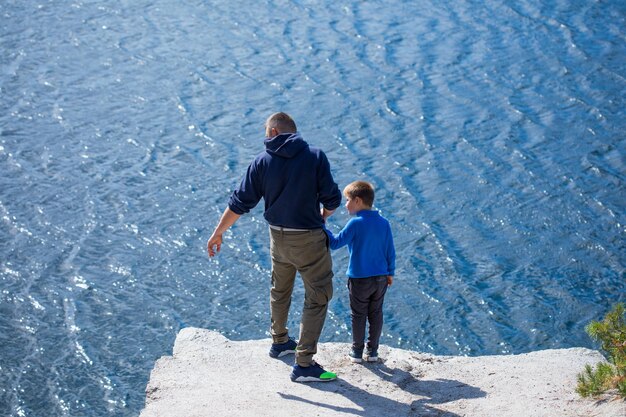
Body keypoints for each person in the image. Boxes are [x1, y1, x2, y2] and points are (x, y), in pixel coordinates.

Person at [207, 112, 341, 382]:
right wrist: (324, 215)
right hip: (308, 238)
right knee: (318, 294)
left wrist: (217, 233)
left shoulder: (261, 161)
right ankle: (304, 364)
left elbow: (239, 203)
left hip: (277, 237)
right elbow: (333, 198)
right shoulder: (315, 156)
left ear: (273, 132)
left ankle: (279, 342)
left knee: (280, 289)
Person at [324, 180, 395, 363]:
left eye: (347, 200)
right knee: (376, 313)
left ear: (357, 201)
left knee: (358, 314)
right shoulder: (384, 223)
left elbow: (335, 243)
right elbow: (390, 250)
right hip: (380, 277)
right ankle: (372, 352)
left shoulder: (355, 223)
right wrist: (390, 272)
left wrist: (322, 223)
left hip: (359, 278)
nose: (345, 204)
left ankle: (356, 352)